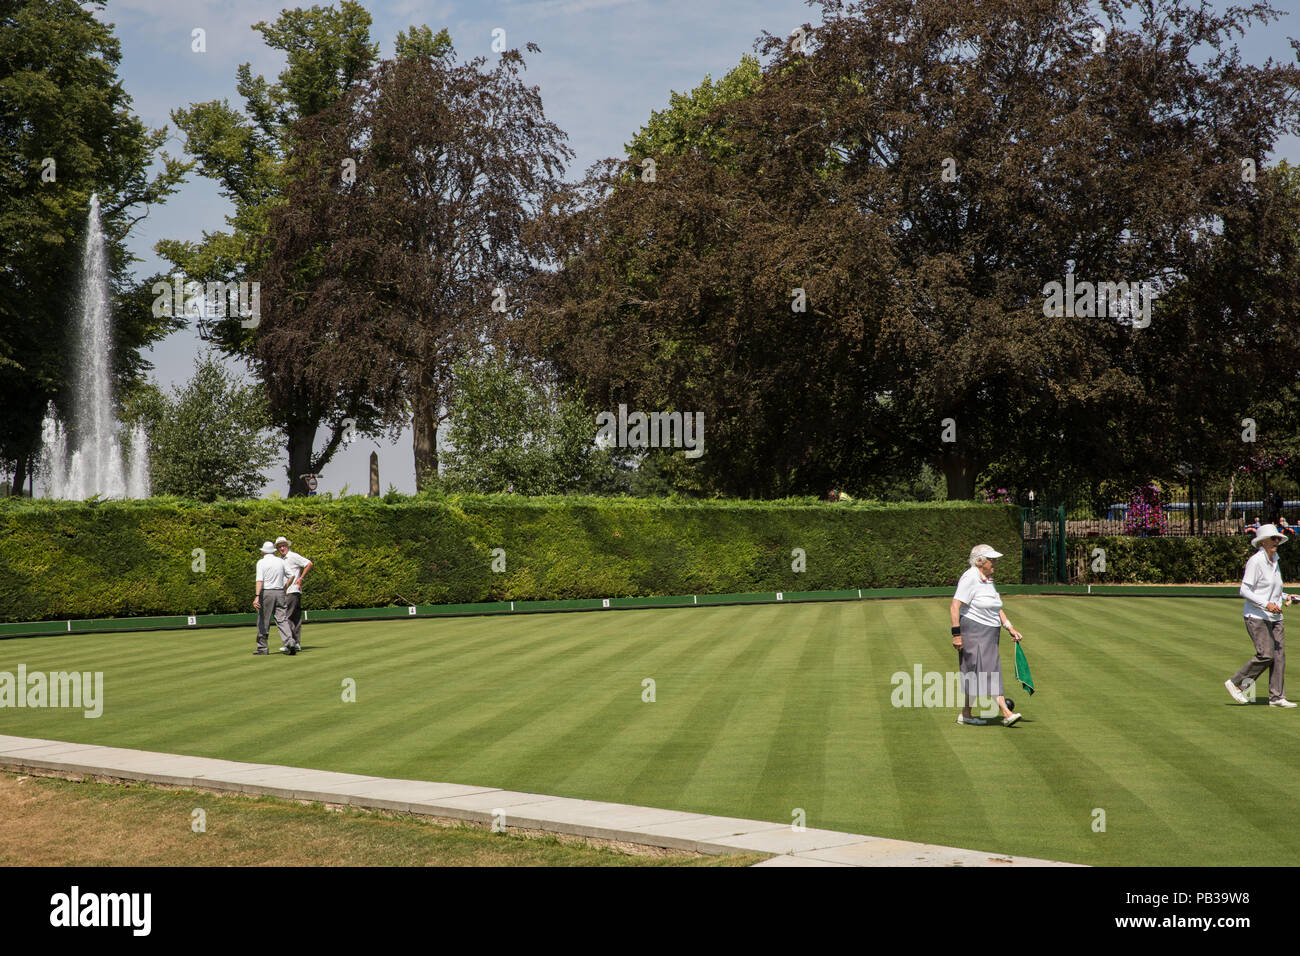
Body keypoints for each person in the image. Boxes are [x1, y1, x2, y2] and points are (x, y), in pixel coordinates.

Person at [950, 544, 1023, 726]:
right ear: (980, 561)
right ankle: (1006, 712)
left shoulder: (988, 579)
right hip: (974, 630)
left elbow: (995, 607)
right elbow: (954, 606)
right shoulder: (970, 577)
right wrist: (956, 635)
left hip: (991, 631)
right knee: (989, 669)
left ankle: (966, 713)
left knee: (975, 672)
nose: (995, 563)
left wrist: (1009, 627)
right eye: (992, 559)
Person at [1226, 523, 1296, 707]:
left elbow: (1273, 590)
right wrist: (1267, 604)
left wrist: (1288, 596)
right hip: (1256, 616)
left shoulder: (1275, 560)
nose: (1277, 541)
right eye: (1273, 538)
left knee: (1279, 656)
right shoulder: (1256, 561)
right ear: (1263, 541)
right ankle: (1236, 683)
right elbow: (1244, 590)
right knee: (1266, 654)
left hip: (1276, 618)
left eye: (1278, 539)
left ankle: (1277, 697)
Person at [253, 540, 294, 656]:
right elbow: (292, 575)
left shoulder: (261, 563)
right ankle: (290, 642)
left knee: (263, 620)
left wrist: (256, 596)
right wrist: (285, 587)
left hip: (267, 593)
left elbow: (259, 580)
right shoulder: (280, 561)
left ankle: (262, 648)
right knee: (282, 619)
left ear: (263, 552)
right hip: (280, 592)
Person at [276, 536, 312, 653]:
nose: (282, 548)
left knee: (288, 617)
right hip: (288, 591)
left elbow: (309, 563)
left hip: (292, 590)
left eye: (284, 545)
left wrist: (301, 578)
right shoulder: (280, 559)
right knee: (294, 617)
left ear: (287, 546)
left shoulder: (293, 556)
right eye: (280, 546)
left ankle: (289, 642)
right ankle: (296, 643)